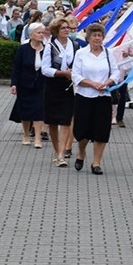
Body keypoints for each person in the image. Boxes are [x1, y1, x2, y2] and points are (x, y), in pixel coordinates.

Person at [71, 22, 120, 174]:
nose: (97, 38)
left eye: (99, 35)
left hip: (103, 96)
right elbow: (75, 75)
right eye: (94, 35)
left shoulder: (108, 53)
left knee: (101, 130)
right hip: (85, 95)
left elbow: (116, 72)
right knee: (82, 130)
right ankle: (81, 153)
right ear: (88, 38)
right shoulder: (81, 53)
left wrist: (107, 82)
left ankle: (96, 162)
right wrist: (91, 83)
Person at [41, 17, 77, 167]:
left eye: (68, 27)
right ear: (56, 31)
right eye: (63, 28)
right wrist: (61, 73)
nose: (67, 30)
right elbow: (45, 69)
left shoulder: (74, 45)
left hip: (68, 88)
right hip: (53, 87)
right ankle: (57, 151)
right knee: (53, 122)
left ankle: (61, 154)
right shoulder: (49, 47)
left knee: (66, 121)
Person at [9, 22, 46, 148]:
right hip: (24, 84)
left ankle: (37, 138)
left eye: (42, 32)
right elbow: (16, 68)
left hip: (41, 85)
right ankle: (25, 134)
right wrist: (14, 84)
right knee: (25, 111)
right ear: (31, 35)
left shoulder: (47, 49)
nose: (41, 35)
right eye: (39, 32)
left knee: (39, 111)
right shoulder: (23, 49)